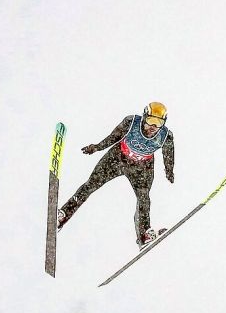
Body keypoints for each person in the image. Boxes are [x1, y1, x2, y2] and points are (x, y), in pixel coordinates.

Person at [57, 101, 175, 250]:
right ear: (144, 117)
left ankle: (144, 234)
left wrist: (169, 171)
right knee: (91, 185)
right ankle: (62, 216)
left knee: (144, 198)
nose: (153, 127)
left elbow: (168, 155)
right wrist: (97, 147)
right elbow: (114, 137)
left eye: (158, 123)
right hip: (117, 158)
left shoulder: (166, 136)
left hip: (142, 169)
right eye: (151, 120)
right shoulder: (131, 122)